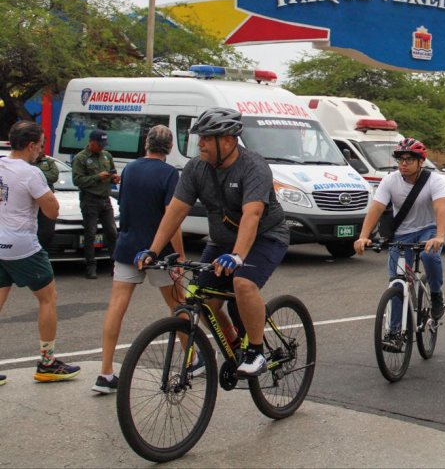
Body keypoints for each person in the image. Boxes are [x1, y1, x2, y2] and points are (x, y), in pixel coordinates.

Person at [135, 107, 290, 377]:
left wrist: (238, 256)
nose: (200, 144)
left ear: (228, 141)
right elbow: (175, 211)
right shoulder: (197, 168)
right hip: (222, 240)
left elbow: (252, 215)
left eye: (206, 138)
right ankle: (231, 341)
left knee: (242, 283)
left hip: (266, 236)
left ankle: (256, 351)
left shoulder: (253, 166)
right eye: (200, 138)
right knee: (198, 296)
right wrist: (153, 250)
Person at [92, 125, 190, 394]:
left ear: (146, 144)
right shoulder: (170, 174)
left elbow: (125, 203)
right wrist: (179, 254)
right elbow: (173, 217)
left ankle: (105, 371)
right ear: (170, 148)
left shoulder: (130, 169)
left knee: (117, 306)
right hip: (158, 251)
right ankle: (192, 360)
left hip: (127, 246)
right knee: (178, 305)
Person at [0, 121, 81, 383]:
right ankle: (47, 363)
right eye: (41, 145)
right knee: (47, 298)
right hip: (22, 245)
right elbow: (52, 210)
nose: (41, 150)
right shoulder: (30, 172)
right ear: (32, 145)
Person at [354, 138, 445, 348]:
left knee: (429, 255)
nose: (403, 164)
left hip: (428, 231)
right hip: (402, 235)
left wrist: (440, 236)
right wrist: (363, 235)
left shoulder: (435, 181)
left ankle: (435, 296)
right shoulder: (390, 181)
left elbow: (441, 209)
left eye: (409, 159)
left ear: (420, 161)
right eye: (400, 159)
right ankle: (395, 334)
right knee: (397, 281)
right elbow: (376, 208)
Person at [72, 129, 119, 279]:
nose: (102, 147)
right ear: (91, 142)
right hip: (90, 200)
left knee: (112, 232)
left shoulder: (107, 156)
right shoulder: (81, 158)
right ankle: (91, 266)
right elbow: (77, 181)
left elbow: (112, 173)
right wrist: (97, 177)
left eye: (104, 144)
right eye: (99, 144)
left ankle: (115, 265)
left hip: (105, 199)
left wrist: (114, 178)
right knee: (90, 233)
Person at [33, 152, 59, 249]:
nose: (40, 150)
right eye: (40, 146)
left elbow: (54, 177)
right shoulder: (24, 162)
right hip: (30, 202)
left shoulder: (49, 161)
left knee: (47, 232)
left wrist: (35, 175)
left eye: (42, 147)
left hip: (46, 200)